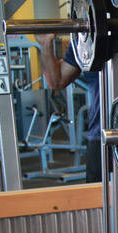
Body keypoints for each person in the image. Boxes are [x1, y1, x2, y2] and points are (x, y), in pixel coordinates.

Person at [36, 34, 102, 182]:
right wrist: (45, 43)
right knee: (97, 194)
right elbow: (57, 81)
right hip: (101, 135)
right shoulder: (85, 38)